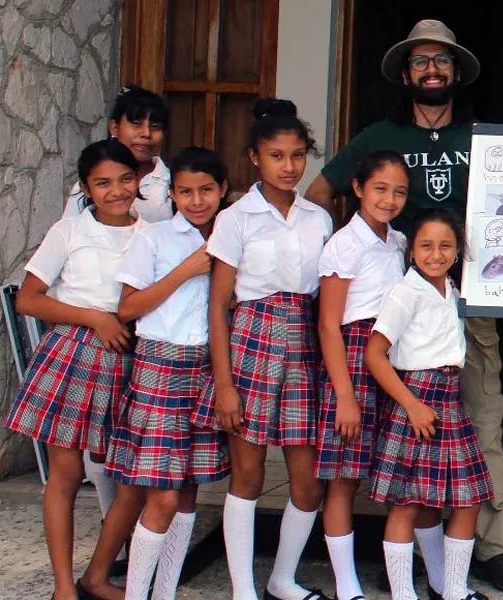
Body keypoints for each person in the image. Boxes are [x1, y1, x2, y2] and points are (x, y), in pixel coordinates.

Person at [305, 19, 503, 593]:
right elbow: (318, 192)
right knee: (390, 425)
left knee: (479, 416)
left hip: (465, 299)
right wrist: (341, 257)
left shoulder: (484, 138)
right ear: (406, 74)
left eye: (441, 61)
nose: (432, 70)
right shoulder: (379, 137)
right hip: (391, 300)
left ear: (455, 72)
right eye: (421, 62)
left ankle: (493, 544)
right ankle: (400, 547)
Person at [190, 98, 333, 600]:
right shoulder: (236, 218)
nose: (289, 166)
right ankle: (241, 590)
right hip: (250, 341)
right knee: (248, 476)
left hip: (304, 347)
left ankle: (282, 578)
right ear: (255, 157)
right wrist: (224, 385)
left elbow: (325, 297)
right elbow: (217, 307)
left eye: (297, 156)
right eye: (277, 156)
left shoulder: (319, 218)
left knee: (308, 482)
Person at [79, 146, 232, 600]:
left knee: (185, 495)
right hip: (160, 365)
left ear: (223, 190)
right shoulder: (156, 237)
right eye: (185, 191)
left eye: (206, 190)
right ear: (172, 194)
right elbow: (127, 307)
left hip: (205, 366)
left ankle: (163, 593)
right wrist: (187, 270)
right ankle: (136, 594)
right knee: (161, 495)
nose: (197, 200)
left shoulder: (231, 237)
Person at [3, 139, 145, 600]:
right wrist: (96, 318)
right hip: (74, 354)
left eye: (125, 179)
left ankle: (97, 576)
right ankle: (64, 586)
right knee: (65, 475)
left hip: (131, 359)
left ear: (138, 180)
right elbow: (29, 298)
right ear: (86, 187)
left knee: (132, 478)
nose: (116, 191)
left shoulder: (153, 230)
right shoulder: (69, 231)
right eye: (103, 183)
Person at [365, 208, 492, 600]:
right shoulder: (406, 293)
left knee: (466, 499)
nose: (435, 254)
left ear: (457, 250)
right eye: (426, 246)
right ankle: (404, 593)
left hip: (448, 399)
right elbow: (375, 354)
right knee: (406, 502)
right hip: (416, 398)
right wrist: (412, 406)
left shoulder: (450, 289)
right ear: (411, 251)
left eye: (445, 246)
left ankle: (451, 587)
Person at [315, 150, 409, 600]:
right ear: (357, 189)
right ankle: (346, 582)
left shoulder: (400, 243)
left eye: (399, 192)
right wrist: (345, 397)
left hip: (389, 358)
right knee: (343, 477)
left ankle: (401, 571)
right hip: (350, 360)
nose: (389, 200)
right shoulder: (343, 245)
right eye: (380, 189)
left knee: (393, 468)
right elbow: (328, 324)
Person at [63, 85, 172, 224]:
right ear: (114, 128)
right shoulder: (89, 184)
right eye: (136, 124)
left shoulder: (171, 184)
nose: (146, 133)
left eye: (155, 127)